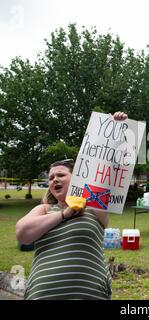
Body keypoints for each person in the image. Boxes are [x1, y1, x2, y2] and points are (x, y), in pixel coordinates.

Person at [16, 111, 128, 300]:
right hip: (43, 295)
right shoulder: (44, 210)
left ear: (76, 178)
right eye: (51, 178)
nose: (54, 180)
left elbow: (105, 165)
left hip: (90, 294)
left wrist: (114, 131)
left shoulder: (94, 204)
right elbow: (23, 234)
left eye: (60, 175)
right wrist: (64, 214)